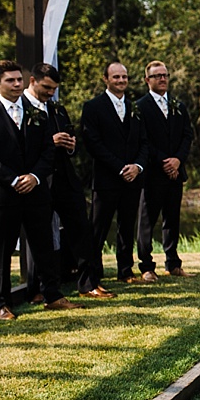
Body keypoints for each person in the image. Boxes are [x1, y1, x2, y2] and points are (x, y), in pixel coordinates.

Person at [0, 60, 80, 320]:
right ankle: (2, 304)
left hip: (36, 192)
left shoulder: (39, 115)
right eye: (10, 80)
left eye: (19, 79)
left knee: (44, 247)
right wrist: (13, 179)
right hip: (2, 195)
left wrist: (34, 176)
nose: (17, 84)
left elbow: (47, 151)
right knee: (2, 252)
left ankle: (52, 296)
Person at [23, 63, 113, 301]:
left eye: (54, 88)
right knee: (40, 235)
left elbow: (72, 138)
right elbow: (19, 148)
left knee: (82, 230)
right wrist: (50, 141)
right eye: (46, 87)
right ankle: (38, 289)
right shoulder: (20, 109)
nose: (50, 92)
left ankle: (88, 283)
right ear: (32, 81)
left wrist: (71, 146)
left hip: (65, 178)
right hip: (40, 180)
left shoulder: (57, 109)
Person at [80, 62, 149, 286]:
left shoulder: (135, 107)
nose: (121, 81)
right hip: (106, 179)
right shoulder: (93, 107)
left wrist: (137, 166)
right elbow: (93, 143)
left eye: (124, 77)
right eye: (116, 77)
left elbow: (144, 143)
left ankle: (125, 271)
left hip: (132, 179)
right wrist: (120, 167)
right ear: (106, 79)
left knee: (127, 226)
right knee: (97, 229)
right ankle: (92, 275)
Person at [136, 61, 194, 281]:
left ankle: (173, 263)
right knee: (147, 220)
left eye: (165, 75)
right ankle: (146, 267)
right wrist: (164, 161)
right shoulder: (140, 106)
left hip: (176, 172)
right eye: (157, 76)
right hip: (152, 173)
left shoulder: (179, 106)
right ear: (147, 80)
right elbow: (143, 140)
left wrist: (178, 160)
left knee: (172, 218)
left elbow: (187, 135)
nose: (162, 79)